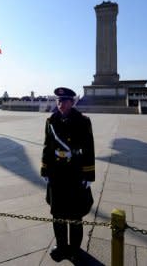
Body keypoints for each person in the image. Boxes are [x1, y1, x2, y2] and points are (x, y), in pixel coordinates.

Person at [41, 87, 95, 262]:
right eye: (58, 100)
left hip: (74, 174)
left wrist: (88, 175)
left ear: (72, 102)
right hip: (57, 175)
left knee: (74, 214)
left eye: (64, 101)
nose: (60, 104)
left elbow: (88, 148)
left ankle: (75, 248)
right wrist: (45, 169)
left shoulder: (83, 121)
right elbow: (47, 146)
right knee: (57, 213)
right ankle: (61, 246)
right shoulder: (51, 121)